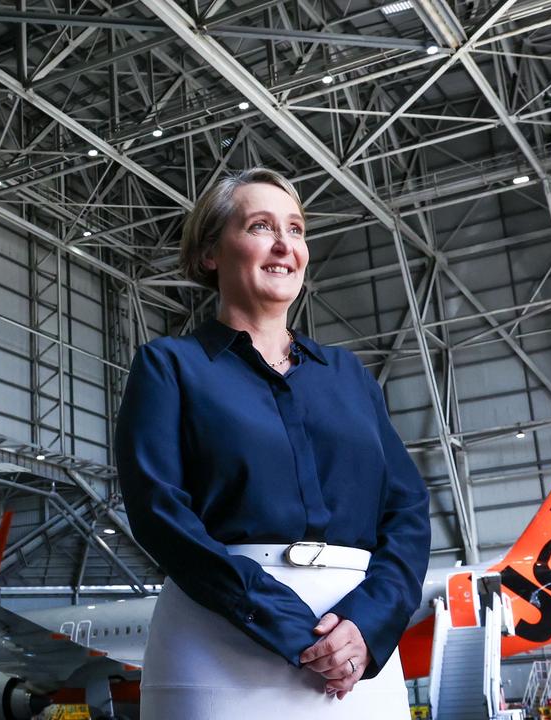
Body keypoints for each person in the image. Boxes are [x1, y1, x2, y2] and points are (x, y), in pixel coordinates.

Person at [114, 168, 431, 718]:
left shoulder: (350, 376)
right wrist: (286, 624)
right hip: (217, 642)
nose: (286, 245)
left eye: (297, 229)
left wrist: (368, 626)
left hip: (358, 652)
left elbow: (407, 511)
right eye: (261, 227)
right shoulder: (168, 367)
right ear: (211, 253)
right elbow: (159, 511)